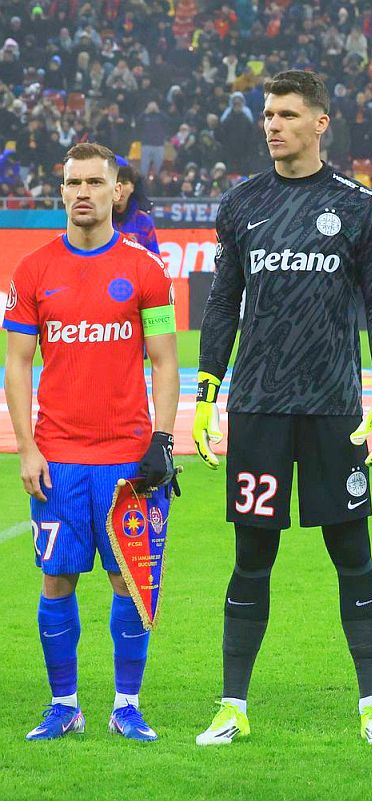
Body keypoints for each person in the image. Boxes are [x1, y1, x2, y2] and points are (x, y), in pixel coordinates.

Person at [192, 70, 372, 747]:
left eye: (286, 114)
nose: (272, 125)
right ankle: (232, 705)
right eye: (268, 114)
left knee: (353, 551)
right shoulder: (241, 203)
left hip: (333, 407)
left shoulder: (358, 206)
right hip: (258, 406)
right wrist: (206, 392)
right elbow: (223, 303)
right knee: (252, 554)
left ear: (320, 122)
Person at [4, 141, 179, 741]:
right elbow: (17, 363)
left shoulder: (145, 269)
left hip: (127, 459)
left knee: (128, 582)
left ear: (116, 191)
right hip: (57, 459)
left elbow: (164, 360)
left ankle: (126, 705)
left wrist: (162, 440)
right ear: (62, 191)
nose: (83, 192)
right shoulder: (33, 270)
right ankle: (65, 705)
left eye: (94, 182)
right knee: (57, 580)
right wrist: (28, 448)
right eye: (73, 183)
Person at [113, 162, 159, 254]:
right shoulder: (98, 220)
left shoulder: (144, 221)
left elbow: (154, 258)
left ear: (132, 187)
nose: (119, 188)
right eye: (115, 182)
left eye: (124, 183)